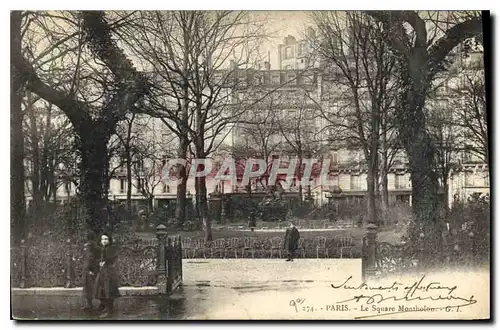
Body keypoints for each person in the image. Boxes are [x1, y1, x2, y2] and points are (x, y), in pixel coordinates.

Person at [94, 233, 120, 318]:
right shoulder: (102, 248)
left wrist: (104, 262)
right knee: (101, 289)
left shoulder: (111, 248)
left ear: (109, 240)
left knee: (108, 290)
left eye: (106, 239)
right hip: (103, 272)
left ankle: (110, 311)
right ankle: (103, 306)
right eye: (102, 239)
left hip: (109, 272)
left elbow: (111, 258)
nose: (104, 241)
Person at [81, 232, 99, 311]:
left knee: (88, 287)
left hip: (89, 269)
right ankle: (90, 304)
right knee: (94, 287)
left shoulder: (89, 246)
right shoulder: (95, 246)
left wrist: (90, 269)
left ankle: (89, 304)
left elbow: (90, 258)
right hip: (92, 268)